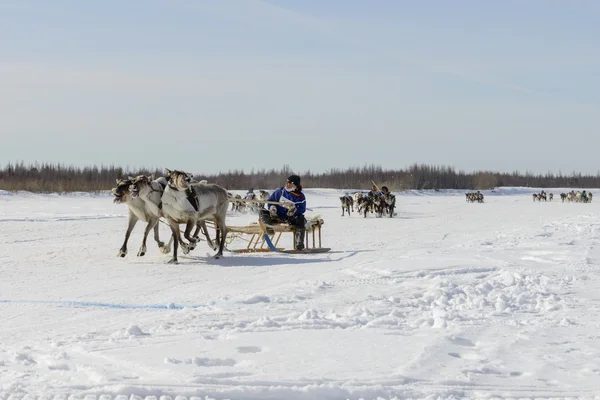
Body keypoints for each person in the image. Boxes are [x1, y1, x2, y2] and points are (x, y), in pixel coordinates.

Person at [259, 174, 307, 250]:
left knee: (301, 218)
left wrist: (294, 210)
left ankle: (299, 242)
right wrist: (272, 207)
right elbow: (271, 201)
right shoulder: (280, 191)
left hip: (290, 218)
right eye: (287, 183)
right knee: (262, 211)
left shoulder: (300, 196)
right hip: (276, 216)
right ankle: (269, 229)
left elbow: (302, 208)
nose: (287, 185)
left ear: (295, 185)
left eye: (290, 184)